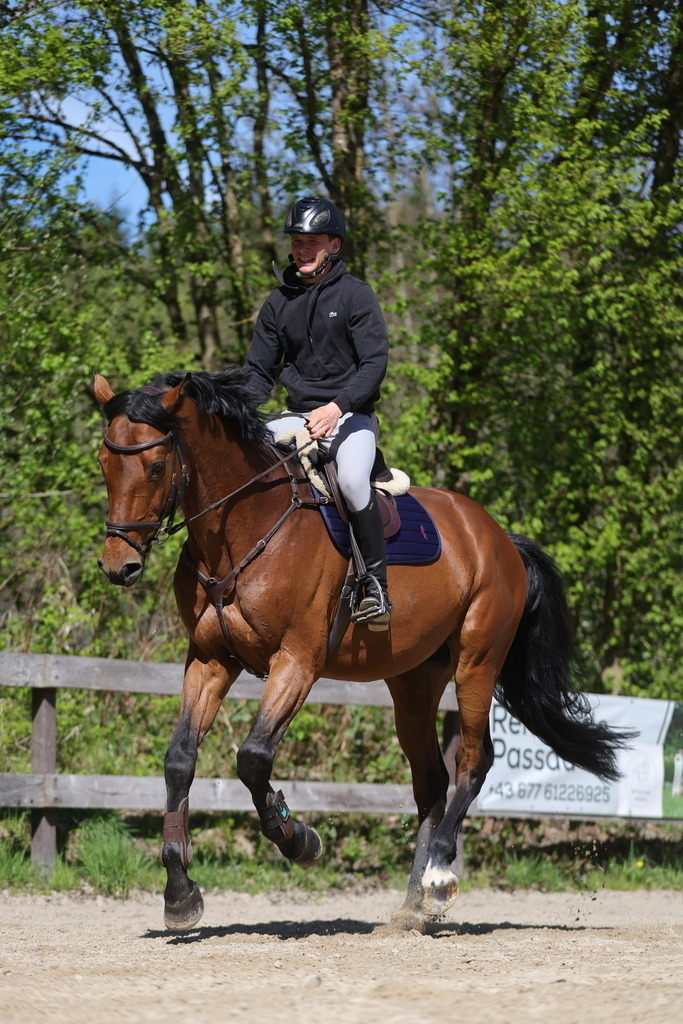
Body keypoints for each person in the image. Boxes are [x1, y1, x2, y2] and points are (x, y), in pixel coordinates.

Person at [244, 196, 391, 628]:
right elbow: (258, 372)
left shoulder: (356, 295)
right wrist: (234, 414)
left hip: (350, 416)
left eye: (312, 241)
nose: (302, 249)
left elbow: (374, 365)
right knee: (250, 471)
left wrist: (338, 406)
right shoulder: (277, 303)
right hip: (294, 417)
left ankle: (374, 586)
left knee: (349, 479)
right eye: (296, 240)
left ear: (334, 245)